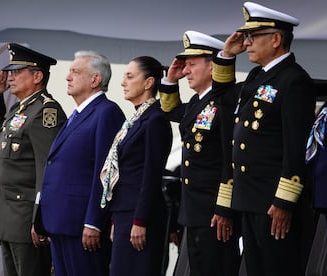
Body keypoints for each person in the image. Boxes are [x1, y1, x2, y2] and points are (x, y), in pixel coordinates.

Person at [213, 2, 316, 275]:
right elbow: (223, 101)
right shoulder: (259, 75)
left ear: (276, 39)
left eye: (253, 36)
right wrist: (225, 55)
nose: (246, 43)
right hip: (250, 198)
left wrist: (284, 202)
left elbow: (296, 148)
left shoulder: (293, 80)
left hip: (273, 203)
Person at [159, 30, 241, 276]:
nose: (186, 71)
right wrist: (170, 80)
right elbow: (172, 112)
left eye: (192, 65)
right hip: (194, 208)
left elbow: (230, 158)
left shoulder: (225, 101)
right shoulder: (197, 102)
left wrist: (223, 207)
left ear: (212, 66)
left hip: (214, 209)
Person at [40, 50, 125, 276]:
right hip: (61, 221)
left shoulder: (107, 113)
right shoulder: (77, 114)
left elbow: (104, 171)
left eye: (75, 72)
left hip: (82, 225)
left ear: (95, 79)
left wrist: (94, 221)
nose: (67, 77)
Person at [0, 43, 66, 276]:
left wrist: (39, 219)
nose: (9, 77)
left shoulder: (44, 111)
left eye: (16, 72)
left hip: (25, 220)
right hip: (8, 219)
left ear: (37, 76)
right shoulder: (20, 110)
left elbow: (46, 170)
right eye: (10, 71)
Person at [100, 56, 173, 276]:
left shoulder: (155, 119)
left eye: (130, 76)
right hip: (125, 212)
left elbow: (150, 174)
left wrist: (140, 220)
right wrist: (116, 219)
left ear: (149, 82)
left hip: (140, 216)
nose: (123, 82)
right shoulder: (135, 120)